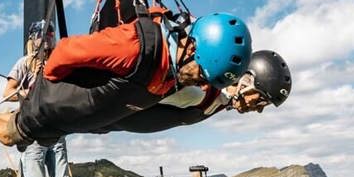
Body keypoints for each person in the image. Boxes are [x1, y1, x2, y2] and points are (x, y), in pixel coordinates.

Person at [0, 10, 252, 161]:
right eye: (201, 73)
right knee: (11, 134)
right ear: (192, 47)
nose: (199, 81)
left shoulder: (175, 72)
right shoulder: (137, 46)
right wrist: (51, 85)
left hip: (78, 116)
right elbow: (67, 50)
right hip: (61, 99)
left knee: (25, 135)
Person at [4, 21, 73, 177]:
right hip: (33, 133)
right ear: (33, 38)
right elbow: (7, 93)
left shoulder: (59, 63)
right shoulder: (24, 64)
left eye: (51, 35)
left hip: (57, 132)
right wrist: (25, 94)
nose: (48, 39)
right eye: (43, 35)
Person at [106, 50, 292, 133]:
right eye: (261, 101)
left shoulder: (220, 100)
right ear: (247, 81)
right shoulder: (199, 92)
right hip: (97, 114)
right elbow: (133, 92)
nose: (258, 109)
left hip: (102, 122)